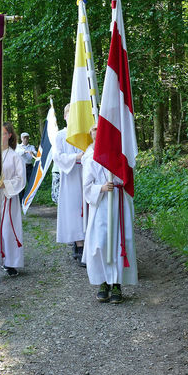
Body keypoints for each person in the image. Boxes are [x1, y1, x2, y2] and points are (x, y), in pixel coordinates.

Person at [82, 124, 138, 303]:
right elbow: (87, 186)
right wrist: (101, 187)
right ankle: (103, 281)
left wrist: (117, 178)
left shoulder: (120, 154)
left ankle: (117, 285)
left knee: (119, 242)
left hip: (118, 203)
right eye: (96, 135)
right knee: (101, 242)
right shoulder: (91, 158)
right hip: (101, 205)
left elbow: (128, 176)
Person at [53, 104, 85, 266]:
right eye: (68, 114)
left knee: (84, 208)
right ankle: (79, 245)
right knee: (73, 210)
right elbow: (57, 156)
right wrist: (75, 157)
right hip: (70, 176)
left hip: (84, 175)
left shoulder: (84, 134)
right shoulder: (60, 135)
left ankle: (84, 242)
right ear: (64, 116)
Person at [0, 122, 26, 277]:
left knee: (7, 229)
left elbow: (21, 179)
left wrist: (5, 185)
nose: (1, 137)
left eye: (4, 134)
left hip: (8, 197)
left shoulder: (15, 156)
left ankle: (10, 262)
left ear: (10, 135)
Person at [16, 132, 36, 200]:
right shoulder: (18, 146)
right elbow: (18, 152)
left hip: (29, 167)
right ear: (21, 139)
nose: (25, 139)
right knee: (21, 184)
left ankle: (30, 199)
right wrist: (26, 151)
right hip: (21, 167)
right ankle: (21, 199)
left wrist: (33, 152)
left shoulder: (31, 147)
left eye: (27, 137)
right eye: (24, 138)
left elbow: (35, 154)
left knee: (31, 183)